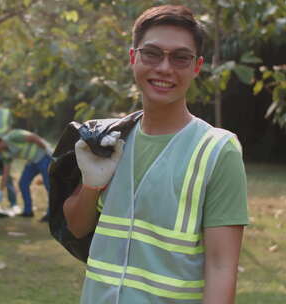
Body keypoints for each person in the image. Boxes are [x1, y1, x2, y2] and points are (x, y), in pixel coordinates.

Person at [63, 5, 248, 304]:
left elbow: (221, 266)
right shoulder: (110, 138)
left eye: (180, 57)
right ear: (133, 58)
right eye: (152, 54)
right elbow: (77, 226)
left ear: (197, 66)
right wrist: (91, 185)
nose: (164, 68)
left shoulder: (217, 150)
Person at [0, 131, 52, 221]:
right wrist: (0, 191)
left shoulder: (13, 136)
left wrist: (48, 151)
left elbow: (33, 137)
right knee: (23, 183)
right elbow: (6, 173)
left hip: (44, 157)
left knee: (49, 186)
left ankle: (51, 214)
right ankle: (28, 211)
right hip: (32, 162)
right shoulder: (5, 153)